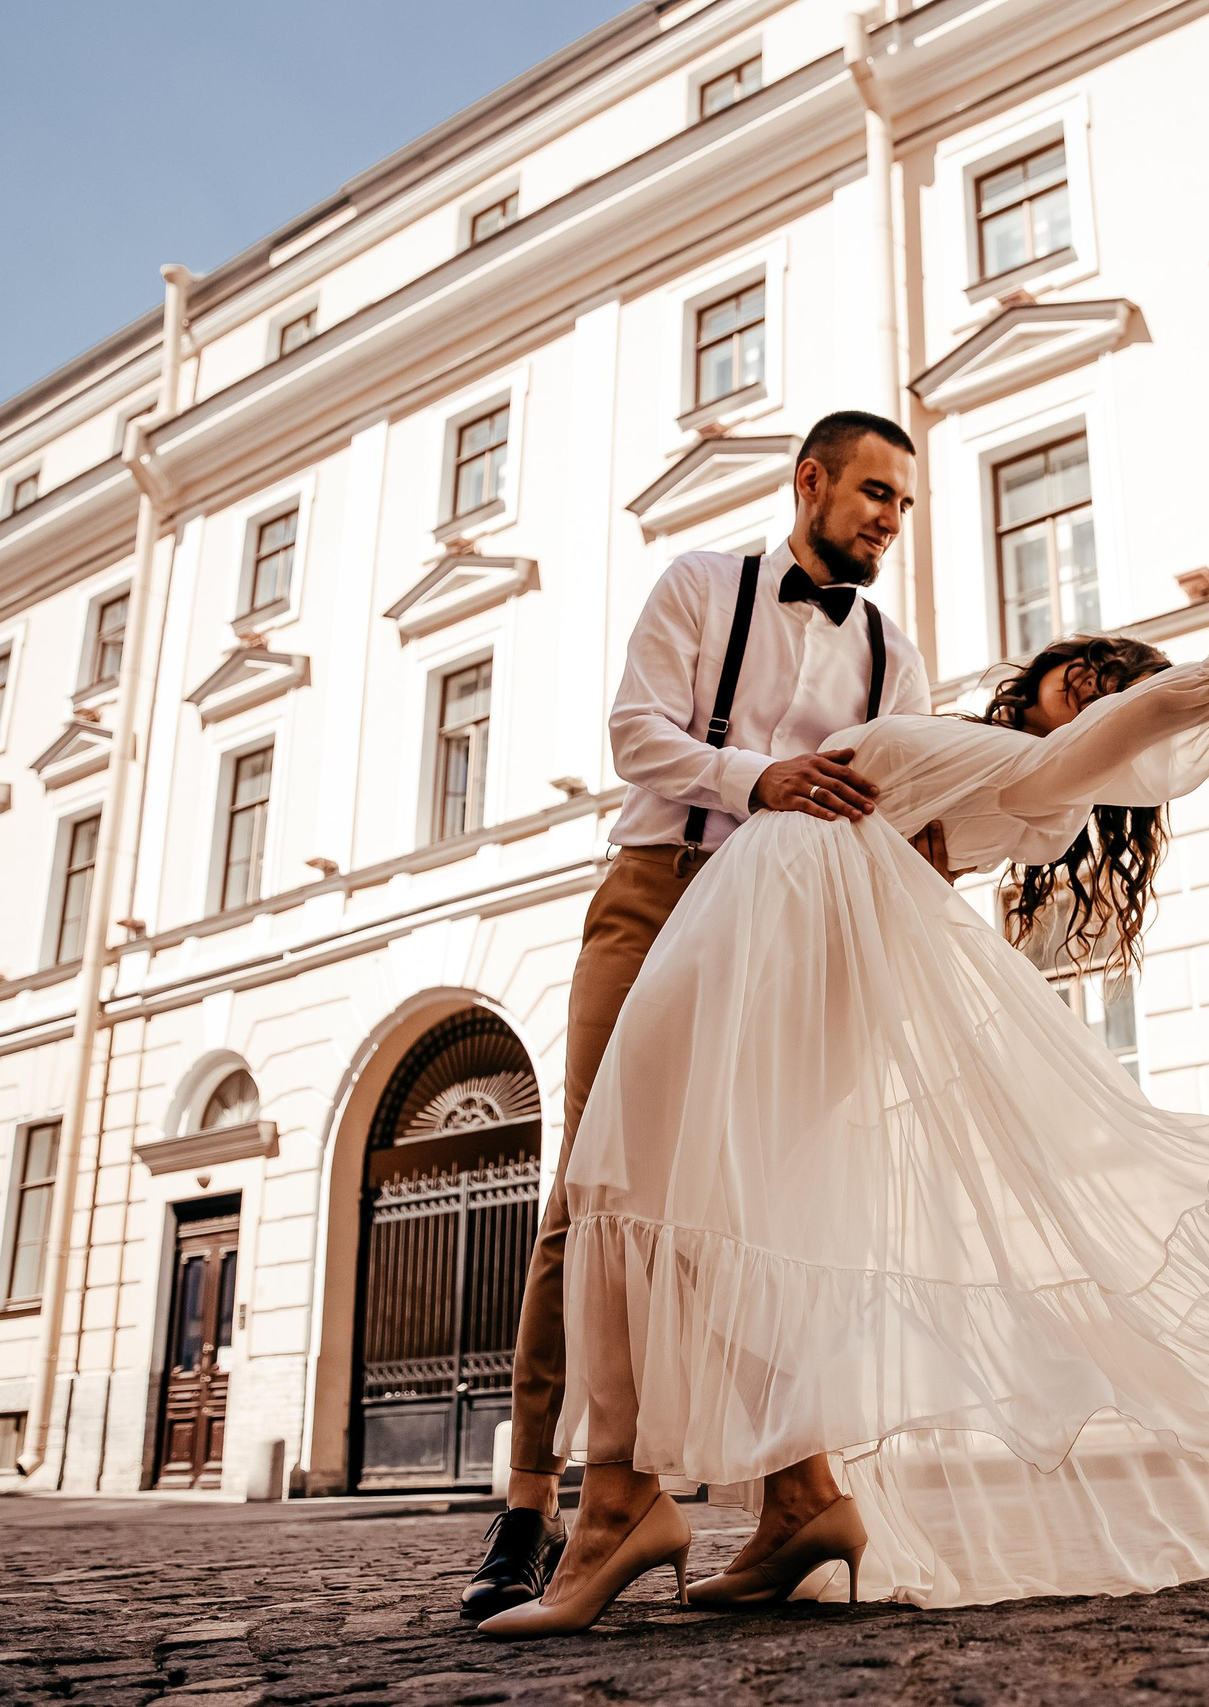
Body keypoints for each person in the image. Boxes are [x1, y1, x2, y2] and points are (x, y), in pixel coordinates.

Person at [480, 591, 1209, 1634]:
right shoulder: (977, 759)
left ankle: (616, 1510)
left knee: (630, 1188)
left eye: (1109, 690)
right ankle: (797, 1506)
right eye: (1086, 668)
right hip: (752, 950)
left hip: (760, 962)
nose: (1092, 688)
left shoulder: (1035, 780)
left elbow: (1112, 730)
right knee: (673, 1213)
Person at [459, 409, 950, 1620]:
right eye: (874, 494)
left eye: (903, 505)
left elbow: (909, 805)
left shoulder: (894, 657)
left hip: (787, 945)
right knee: (591, 1197)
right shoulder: (699, 586)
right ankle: (533, 1512)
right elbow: (635, 736)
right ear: (811, 484)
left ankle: (789, 1494)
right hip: (658, 896)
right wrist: (757, 778)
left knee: (734, 1220)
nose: (890, 520)